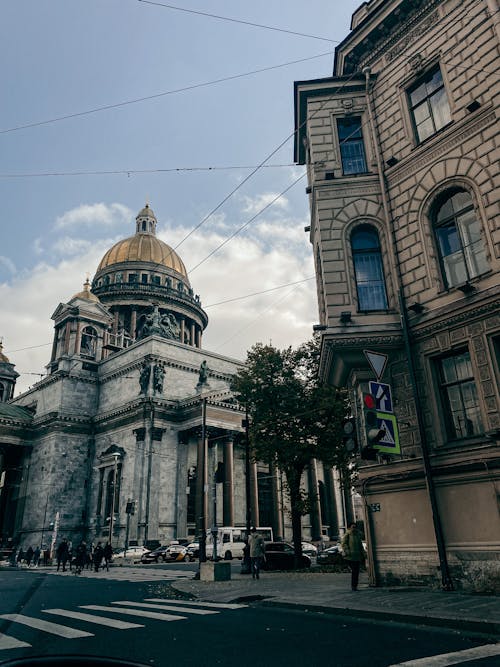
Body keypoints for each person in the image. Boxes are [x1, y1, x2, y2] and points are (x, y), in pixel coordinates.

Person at [341, 523, 366, 591]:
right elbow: (343, 544)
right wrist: (347, 551)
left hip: (357, 557)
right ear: (349, 528)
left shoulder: (358, 535)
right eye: (353, 527)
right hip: (350, 557)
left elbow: (360, 546)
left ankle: (355, 586)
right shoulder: (347, 534)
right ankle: (354, 586)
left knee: (356, 572)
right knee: (354, 571)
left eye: (355, 527)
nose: (354, 528)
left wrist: (363, 553)